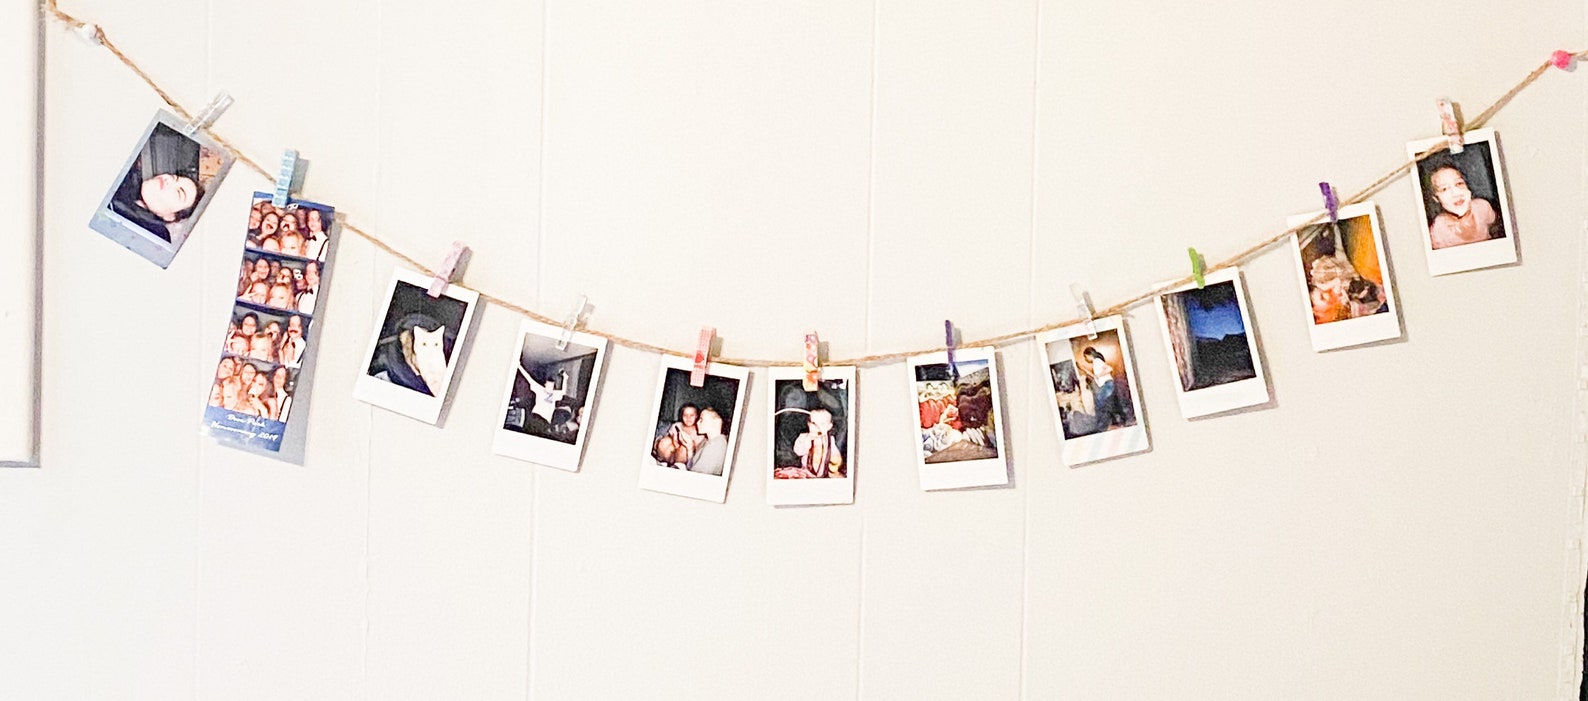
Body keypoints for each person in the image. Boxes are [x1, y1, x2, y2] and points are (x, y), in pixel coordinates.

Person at [108, 122, 204, 242]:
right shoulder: (123, 172)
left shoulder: (154, 238)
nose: (169, 179)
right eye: (175, 177)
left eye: (179, 192)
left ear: (170, 216)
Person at [1425, 162, 1501, 249]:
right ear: (1436, 198)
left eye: (1459, 183)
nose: (1456, 193)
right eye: (1444, 189)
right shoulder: (1438, 232)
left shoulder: (1482, 207)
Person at [791, 408, 844, 478]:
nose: (818, 427)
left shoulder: (830, 440)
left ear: (829, 427)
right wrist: (808, 439)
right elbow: (798, 451)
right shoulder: (803, 437)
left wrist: (835, 462)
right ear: (808, 424)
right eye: (814, 423)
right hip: (806, 473)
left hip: (824, 473)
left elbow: (836, 456)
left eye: (822, 424)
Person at [686, 408, 729, 476]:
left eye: (701, 419)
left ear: (716, 421)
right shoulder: (706, 441)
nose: (697, 423)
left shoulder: (716, 446)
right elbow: (691, 466)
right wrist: (690, 449)